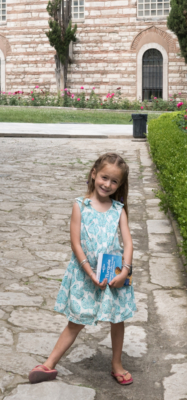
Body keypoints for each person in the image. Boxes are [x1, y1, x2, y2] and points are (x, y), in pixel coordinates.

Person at [28, 153, 137, 385]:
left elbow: (128, 242)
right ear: (94, 173)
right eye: (104, 177)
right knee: (76, 321)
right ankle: (49, 365)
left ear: (120, 185)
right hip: (86, 273)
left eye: (114, 181)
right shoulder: (81, 205)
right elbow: (76, 243)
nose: (108, 184)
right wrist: (89, 272)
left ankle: (116, 363)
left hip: (112, 275)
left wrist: (125, 271)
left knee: (117, 320)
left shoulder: (119, 209)